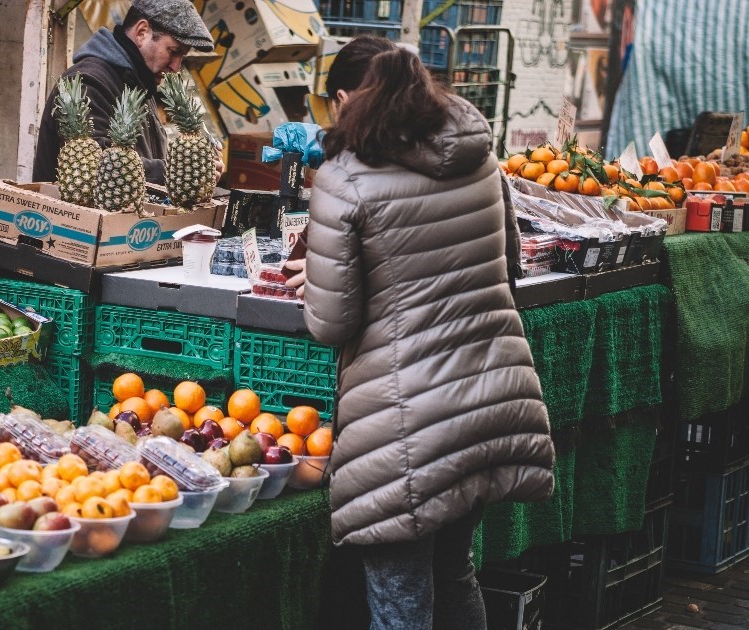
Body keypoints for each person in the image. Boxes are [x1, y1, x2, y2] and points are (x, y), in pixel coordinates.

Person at [285, 37, 555, 629]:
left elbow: (331, 324)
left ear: (347, 102)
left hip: (408, 422)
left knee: (400, 598)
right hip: (491, 398)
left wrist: (321, 274)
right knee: (454, 573)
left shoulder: (343, 179)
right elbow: (511, 262)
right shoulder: (482, 159)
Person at [32, 0, 220, 186]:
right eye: (173, 51)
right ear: (142, 33)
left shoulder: (141, 83)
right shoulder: (88, 82)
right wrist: (180, 171)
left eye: (182, 57)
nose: (176, 67)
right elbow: (96, 167)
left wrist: (195, 165)